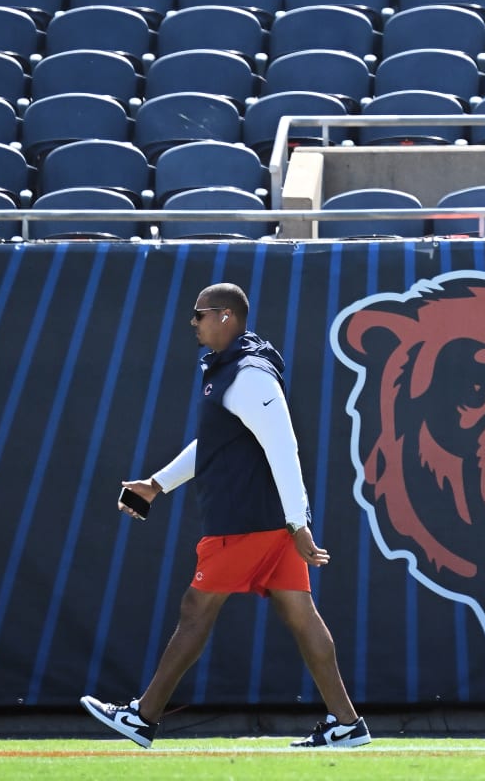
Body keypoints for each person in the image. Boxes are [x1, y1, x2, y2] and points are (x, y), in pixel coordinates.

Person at [79, 282, 370, 750]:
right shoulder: (229, 370)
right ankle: (347, 724)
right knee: (301, 615)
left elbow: (284, 447)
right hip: (265, 521)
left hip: (248, 523)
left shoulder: (249, 374)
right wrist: (157, 484)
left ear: (225, 316)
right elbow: (215, 443)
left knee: (195, 610)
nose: (192, 322)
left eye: (199, 314)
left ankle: (143, 716)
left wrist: (298, 522)